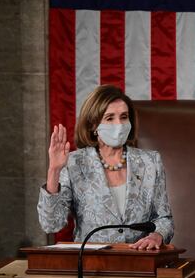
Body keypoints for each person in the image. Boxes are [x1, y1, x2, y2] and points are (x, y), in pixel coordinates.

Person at [37, 85, 174, 250]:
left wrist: (157, 235)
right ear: (93, 125)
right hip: (91, 266)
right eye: (110, 118)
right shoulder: (74, 162)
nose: (119, 124)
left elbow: (164, 219)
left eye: (124, 117)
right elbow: (51, 225)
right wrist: (54, 170)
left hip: (140, 261)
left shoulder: (150, 161)